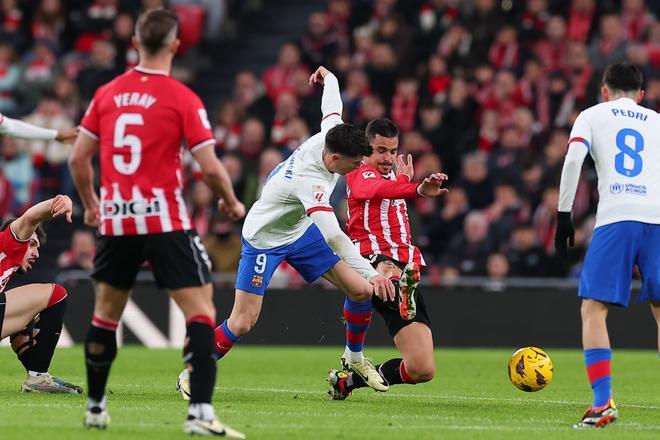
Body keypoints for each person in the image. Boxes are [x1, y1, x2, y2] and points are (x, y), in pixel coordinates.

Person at [68, 9, 245, 438]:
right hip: (164, 221)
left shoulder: (106, 94)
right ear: (175, 45)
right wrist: (231, 201)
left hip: (117, 223)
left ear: (134, 43)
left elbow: (78, 159)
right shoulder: (182, 97)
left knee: (105, 315)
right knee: (201, 311)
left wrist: (92, 204)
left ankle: (94, 407)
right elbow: (211, 168)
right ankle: (200, 413)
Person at [177, 66, 396, 400]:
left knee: (360, 292)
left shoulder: (334, 136)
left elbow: (332, 106)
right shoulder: (311, 182)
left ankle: (353, 359)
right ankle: (194, 371)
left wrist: (331, 77)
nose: (357, 168)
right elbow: (335, 237)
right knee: (243, 321)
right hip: (265, 239)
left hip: (299, 230)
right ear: (335, 158)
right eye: (353, 164)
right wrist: (371, 271)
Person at [555, 62, 660, 429]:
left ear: (604, 90)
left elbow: (572, 159)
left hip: (617, 216)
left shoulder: (591, 115)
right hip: (658, 220)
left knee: (595, 308)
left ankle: (603, 404)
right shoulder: (657, 121)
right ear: (641, 95)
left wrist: (563, 215)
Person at [326, 118, 448, 399]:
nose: (388, 157)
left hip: (407, 260)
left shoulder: (393, 177)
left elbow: (388, 190)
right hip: (371, 256)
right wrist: (416, 188)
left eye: (392, 151)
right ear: (366, 148)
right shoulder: (359, 171)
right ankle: (396, 283)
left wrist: (404, 180)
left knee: (422, 368)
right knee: (387, 270)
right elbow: (373, 191)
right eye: (381, 150)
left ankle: (347, 382)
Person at [0, 195, 82, 394]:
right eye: (32, 244)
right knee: (56, 294)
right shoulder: (7, 243)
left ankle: (38, 376)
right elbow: (30, 218)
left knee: (24, 321)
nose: (36, 253)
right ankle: (37, 377)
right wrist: (58, 202)